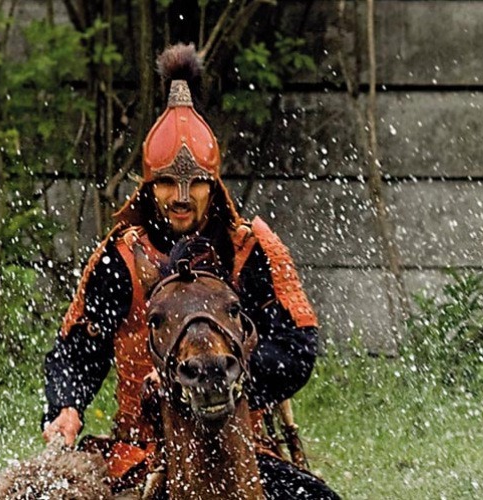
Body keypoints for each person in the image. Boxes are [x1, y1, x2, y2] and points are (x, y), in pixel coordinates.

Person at [41, 44, 339, 499]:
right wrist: (67, 406)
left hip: (242, 447)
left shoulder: (250, 250)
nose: (181, 196)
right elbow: (81, 348)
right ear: (148, 185)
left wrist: (223, 377)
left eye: (195, 182)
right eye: (166, 182)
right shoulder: (119, 257)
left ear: (213, 185)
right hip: (144, 453)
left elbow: (296, 347)